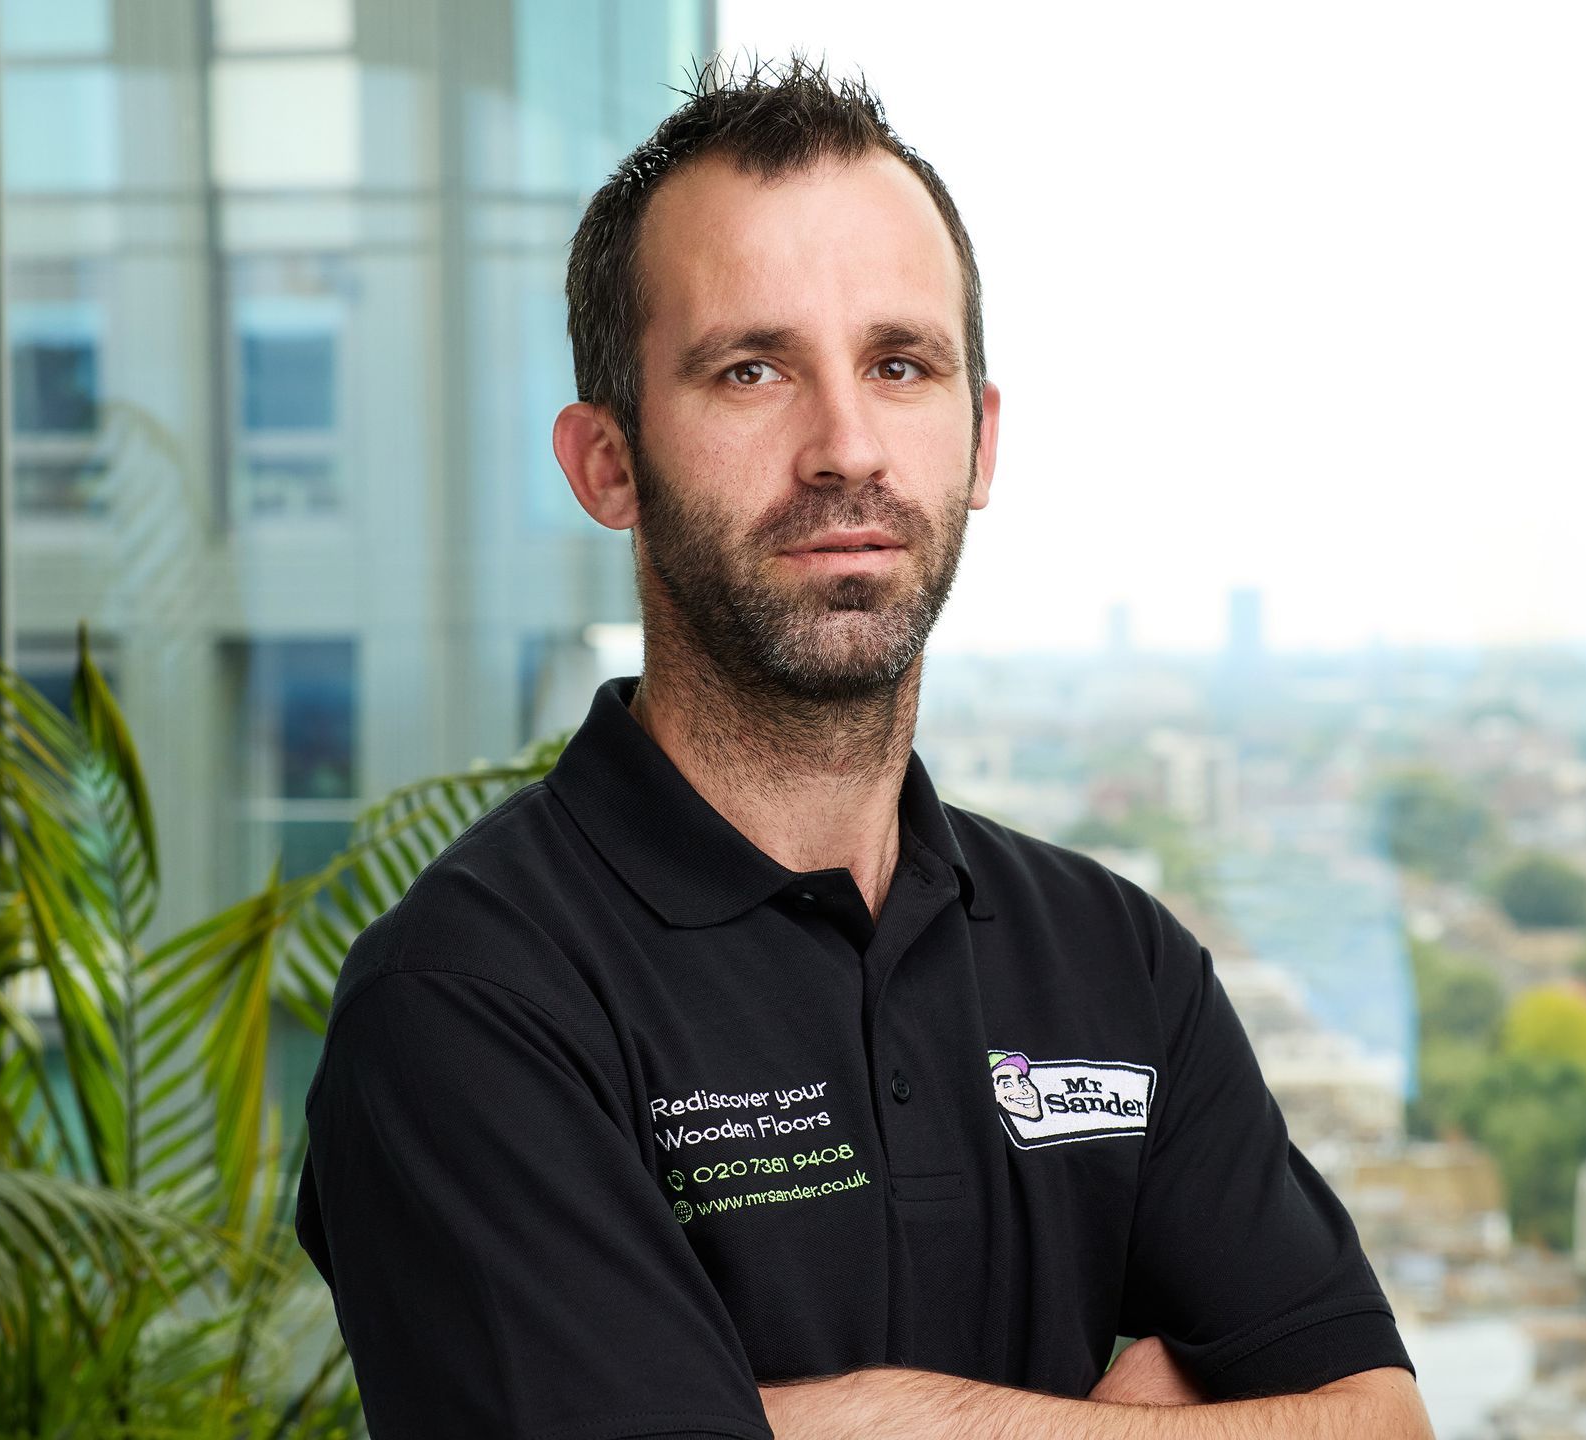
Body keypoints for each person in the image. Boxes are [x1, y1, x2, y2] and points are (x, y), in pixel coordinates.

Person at [295, 54, 1435, 1440]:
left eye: (901, 365)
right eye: (751, 368)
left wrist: (889, 1417)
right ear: (607, 464)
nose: (846, 445)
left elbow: (1380, 1420)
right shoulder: (472, 1001)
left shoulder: (1119, 963)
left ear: (980, 438)